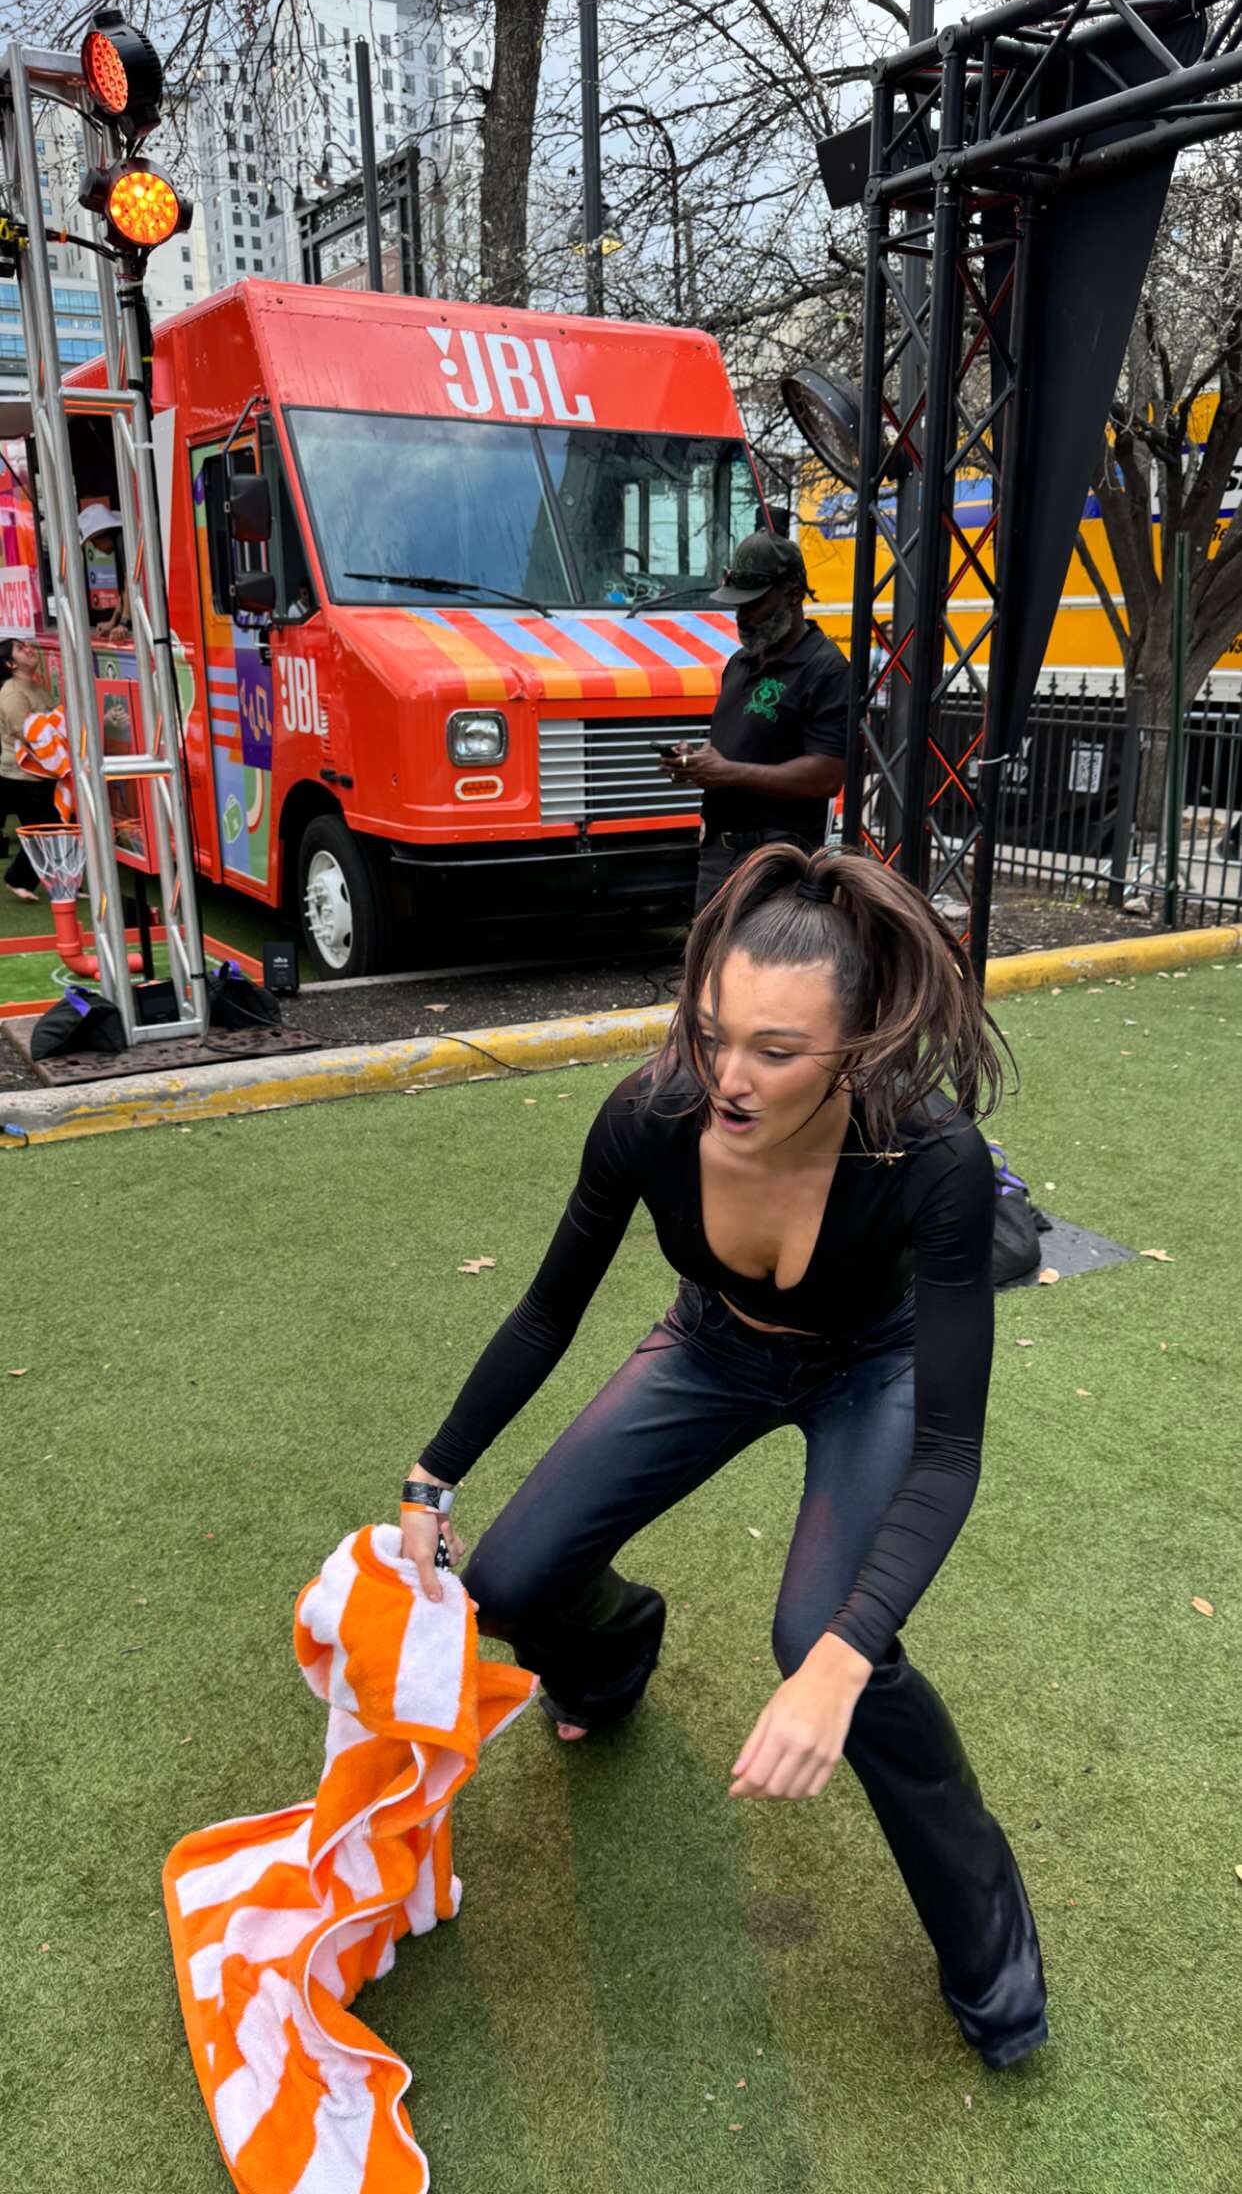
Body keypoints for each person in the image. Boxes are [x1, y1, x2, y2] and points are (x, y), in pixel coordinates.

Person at [399, 845, 1049, 2071]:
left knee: (826, 1640)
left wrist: (837, 1665)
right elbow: (546, 1312)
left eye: (776, 1050)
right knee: (510, 1583)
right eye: (712, 1034)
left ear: (854, 1050)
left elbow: (949, 1451)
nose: (728, 1078)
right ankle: (611, 1658)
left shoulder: (933, 1159)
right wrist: (433, 1476)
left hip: (876, 1370)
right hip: (713, 1346)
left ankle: (995, 1956)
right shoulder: (650, 1115)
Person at [659, 532, 848, 913]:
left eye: (754, 603)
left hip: (778, 862)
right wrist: (697, 761)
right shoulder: (739, 663)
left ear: (793, 595)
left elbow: (827, 775)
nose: (741, 615)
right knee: (710, 951)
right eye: (736, 604)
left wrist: (728, 772)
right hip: (719, 856)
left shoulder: (825, 668)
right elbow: (739, 748)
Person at [0, 635, 56, 898]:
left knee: (55, 826)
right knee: (43, 829)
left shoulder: (36, 687)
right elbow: (27, 733)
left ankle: (64, 880)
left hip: (44, 770)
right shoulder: (12, 694)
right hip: (22, 776)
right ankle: (16, 879)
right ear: (10, 664)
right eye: (21, 649)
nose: (29, 650)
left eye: (27, 645)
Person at [78, 503, 130, 641]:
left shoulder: (122, 541)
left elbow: (131, 582)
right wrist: (112, 622)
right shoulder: (119, 540)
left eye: (94, 543)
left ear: (101, 536)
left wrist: (123, 623)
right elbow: (124, 591)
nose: (96, 548)